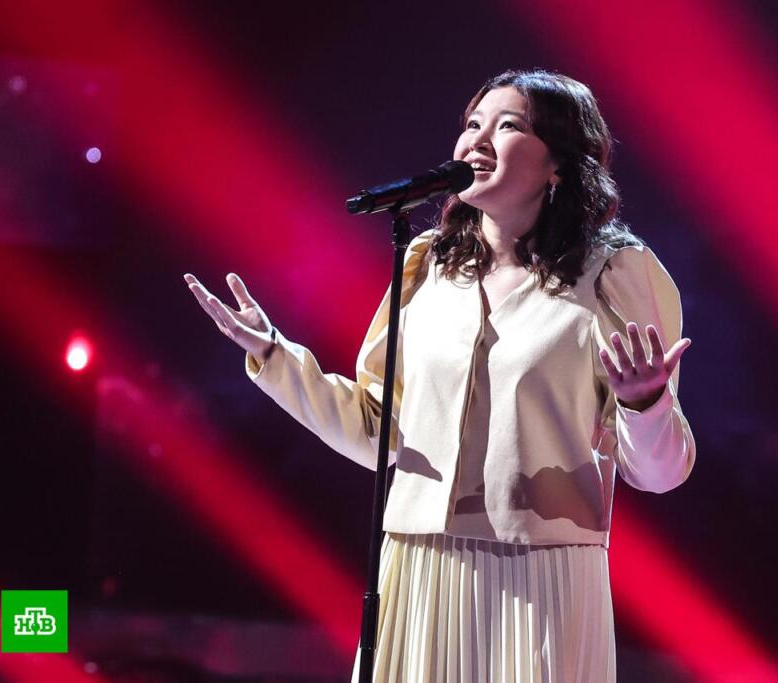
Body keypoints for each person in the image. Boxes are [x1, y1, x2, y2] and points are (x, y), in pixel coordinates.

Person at [185, 69, 695, 683]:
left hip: (538, 577)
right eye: (472, 124)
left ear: (558, 165)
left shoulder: (613, 274)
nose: (477, 140)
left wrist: (646, 405)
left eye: (508, 126)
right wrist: (273, 355)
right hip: (417, 568)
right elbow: (379, 430)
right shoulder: (428, 266)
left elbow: (659, 473)